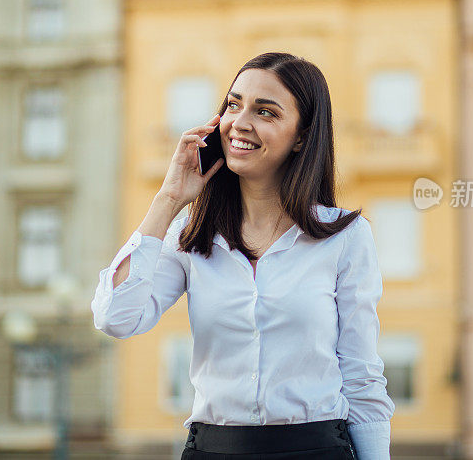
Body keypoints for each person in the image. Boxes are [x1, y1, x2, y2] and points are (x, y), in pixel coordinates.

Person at [92, 52, 394, 459]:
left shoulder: (346, 237)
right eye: (234, 104)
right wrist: (168, 200)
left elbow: (362, 375)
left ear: (302, 137)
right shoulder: (189, 234)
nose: (240, 122)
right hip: (213, 449)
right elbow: (116, 318)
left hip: (316, 448)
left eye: (265, 112)